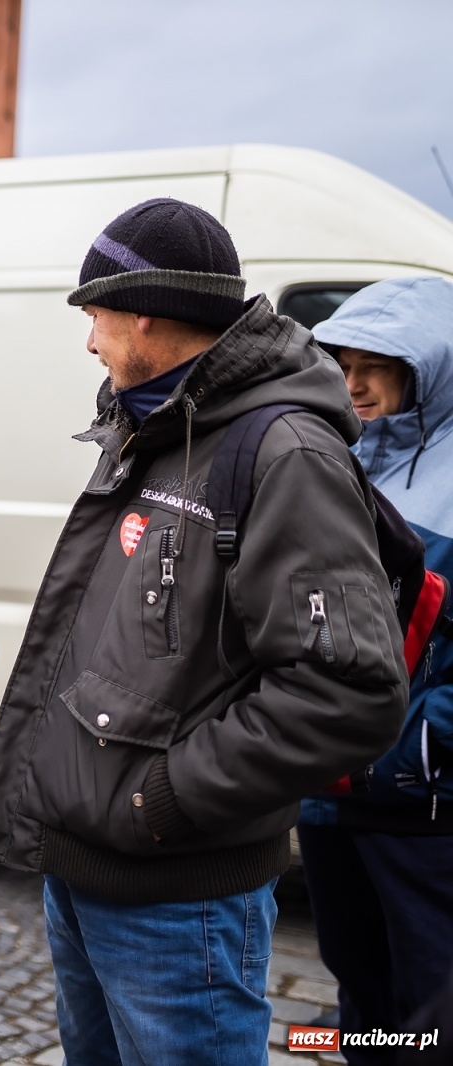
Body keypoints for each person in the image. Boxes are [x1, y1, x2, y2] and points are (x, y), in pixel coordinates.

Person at [0, 198, 408, 1064]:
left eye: (93, 313)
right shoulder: (155, 421)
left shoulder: (285, 453)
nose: (88, 339)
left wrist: (159, 802)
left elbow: (347, 690)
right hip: (84, 874)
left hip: (176, 902)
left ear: (143, 312)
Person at [297, 276, 453, 1064]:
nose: (352, 382)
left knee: (432, 1007)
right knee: (357, 992)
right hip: (327, 792)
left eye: (376, 365)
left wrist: (429, 741)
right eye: (342, 361)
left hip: (421, 805)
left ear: (427, 369)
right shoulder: (329, 459)